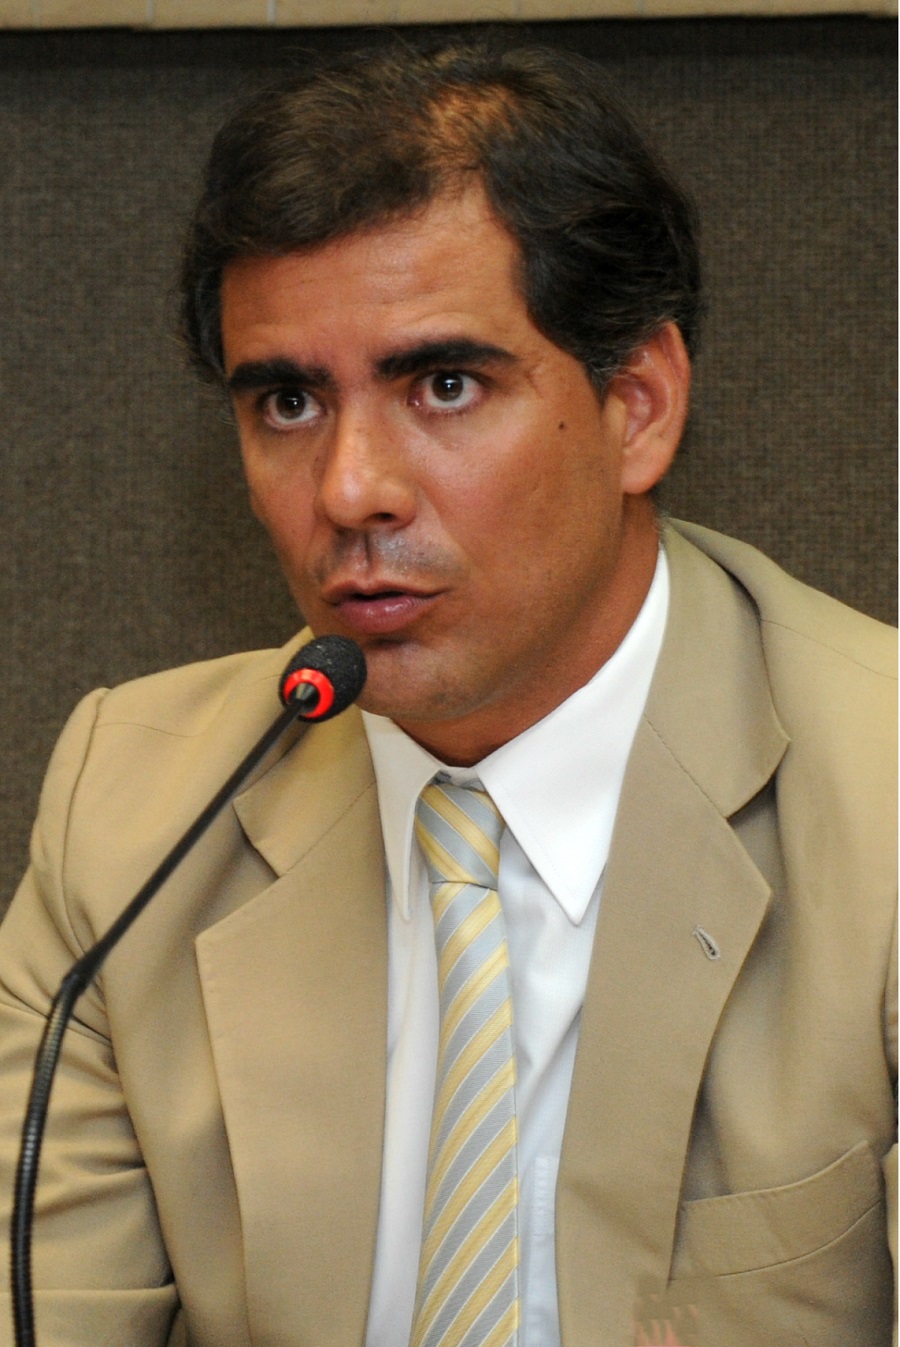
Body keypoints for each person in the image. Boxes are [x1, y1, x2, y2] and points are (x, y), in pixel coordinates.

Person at [0, 33, 895, 1347]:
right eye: (289, 403)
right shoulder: (133, 809)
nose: (351, 488)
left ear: (639, 406)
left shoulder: (882, 799)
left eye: (445, 384)